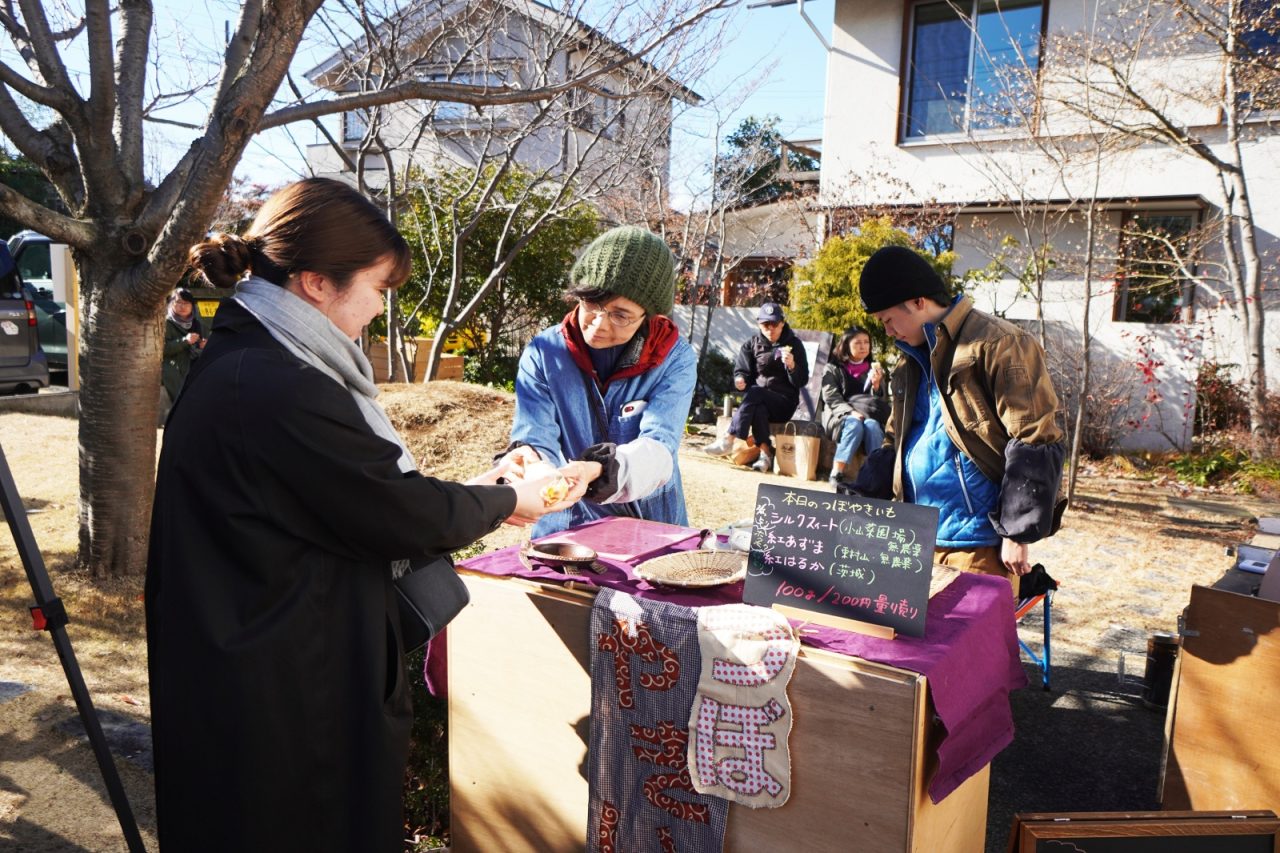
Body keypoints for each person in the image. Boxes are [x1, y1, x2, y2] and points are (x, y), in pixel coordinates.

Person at [146, 178, 582, 852]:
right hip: (285, 696)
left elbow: (354, 492)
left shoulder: (251, 361)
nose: (380, 308)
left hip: (259, 671)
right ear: (318, 283)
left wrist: (476, 488)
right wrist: (509, 500)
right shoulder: (274, 384)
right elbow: (397, 512)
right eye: (378, 288)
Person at [850, 245, 1065, 593]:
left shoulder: (1000, 343)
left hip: (978, 543)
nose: (888, 332)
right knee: (910, 647)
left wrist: (1016, 531)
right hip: (915, 538)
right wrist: (859, 497)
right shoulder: (908, 362)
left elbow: (1033, 437)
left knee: (965, 644)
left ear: (919, 301)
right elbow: (895, 441)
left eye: (889, 319)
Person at [503, 225, 697, 537]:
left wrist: (598, 470)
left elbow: (659, 448)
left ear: (649, 317)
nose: (597, 323)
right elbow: (535, 435)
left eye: (620, 315)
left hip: (651, 523)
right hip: (566, 526)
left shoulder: (673, 358)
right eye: (591, 303)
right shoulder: (545, 352)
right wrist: (534, 467)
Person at [702, 301, 810, 473]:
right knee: (757, 406)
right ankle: (766, 455)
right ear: (759, 324)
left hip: (784, 402)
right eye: (765, 324)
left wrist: (792, 366)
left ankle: (728, 439)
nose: (770, 328)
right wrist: (740, 379)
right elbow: (741, 370)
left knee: (755, 393)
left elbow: (802, 380)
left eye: (774, 323)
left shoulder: (795, 345)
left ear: (782, 323)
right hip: (758, 398)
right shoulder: (751, 344)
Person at [821, 326, 889, 487]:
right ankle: (837, 472)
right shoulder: (833, 368)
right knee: (854, 424)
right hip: (838, 416)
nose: (863, 346)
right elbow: (831, 397)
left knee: (872, 425)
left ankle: (875, 475)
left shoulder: (875, 369)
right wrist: (850, 412)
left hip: (868, 416)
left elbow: (879, 403)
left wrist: (877, 385)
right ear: (846, 344)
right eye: (858, 342)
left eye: (866, 342)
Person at [159, 287, 204, 416]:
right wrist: (185, 341)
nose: (182, 306)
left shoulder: (197, 324)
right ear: (172, 304)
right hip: (173, 370)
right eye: (178, 302)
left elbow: (201, 350)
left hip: (193, 369)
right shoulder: (166, 323)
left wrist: (203, 346)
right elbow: (162, 349)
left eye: (186, 303)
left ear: (192, 305)